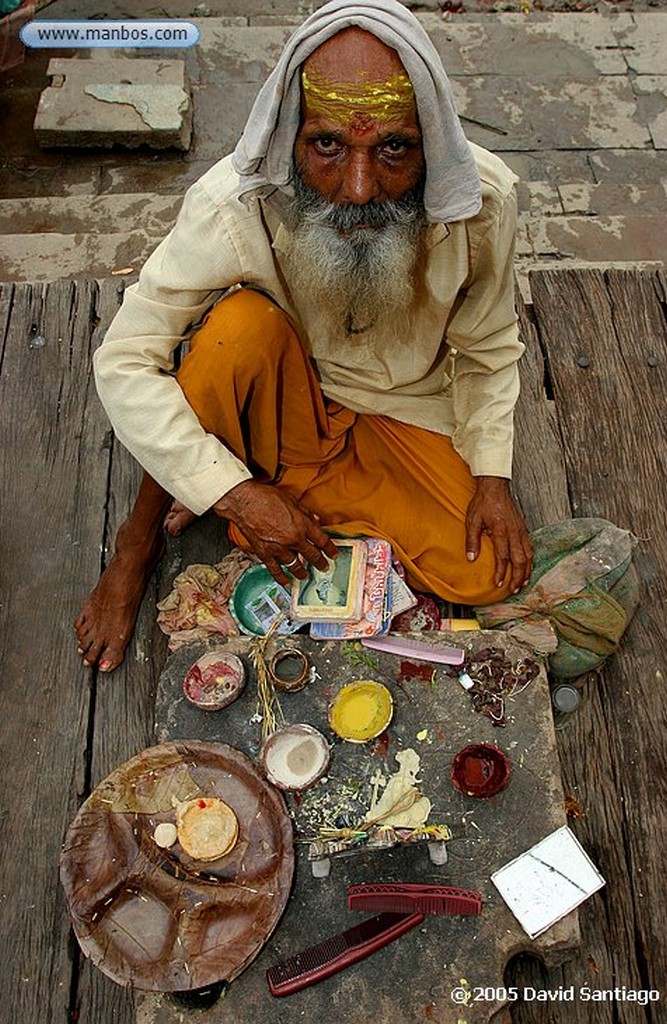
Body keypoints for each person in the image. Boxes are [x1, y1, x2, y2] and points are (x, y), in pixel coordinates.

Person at [74, 0, 533, 673]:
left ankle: (246, 487)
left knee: (487, 573)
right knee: (234, 333)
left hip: (403, 410)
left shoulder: (480, 201)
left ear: (427, 139)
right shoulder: (234, 203)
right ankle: (138, 541)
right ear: (292, 135)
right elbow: (124, 360)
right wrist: (235, 493)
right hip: (283, 396)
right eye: (326, 146)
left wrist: (492, 477)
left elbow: (489, 348)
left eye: (393, 149)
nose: (356, 188)